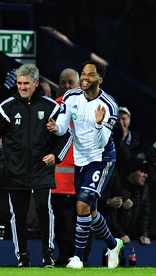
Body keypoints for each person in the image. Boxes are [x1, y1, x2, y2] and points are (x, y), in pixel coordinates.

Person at [0, 63, 71, 268]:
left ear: (36, 83)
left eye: (26, 84)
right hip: (16, 169)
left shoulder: (51, 107)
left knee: (43, 208)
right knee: (19, 215)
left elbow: (66, 135)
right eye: (19, 83)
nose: (22, 87)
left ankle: (48, 256)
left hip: (42, 168)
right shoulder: (7, 107)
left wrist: (55, 156)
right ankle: (23, 257)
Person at [46, 60, 124, 269]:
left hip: (101, 158)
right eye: (83, 74)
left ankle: (77, 258)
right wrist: (56, 128)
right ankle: (112, 244)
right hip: (80, 160)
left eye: (90, 75)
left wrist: (99, 124)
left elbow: (102, 142)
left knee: (81, 206)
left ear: (100, 79)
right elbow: (64, 125)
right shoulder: (72, 97)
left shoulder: (108, 105)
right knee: (90, 212)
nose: (84, 78)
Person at [51, 68, 79, 266]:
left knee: (82, 221)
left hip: (82, 179)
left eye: (71, 82)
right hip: (59, 182)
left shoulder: (90, 108)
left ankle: (80, 257)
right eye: (63, 82)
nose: (67, 86)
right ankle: (65, 256)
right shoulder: (54, 108)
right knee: (62, 223)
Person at [115, 158, 151, 245]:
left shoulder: (144, 189)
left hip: (129, 238)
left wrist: (143, 234)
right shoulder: (116, 186)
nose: (146, 175)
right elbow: (109, 215)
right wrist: (120, 234)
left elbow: (144, 214)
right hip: (109, 237)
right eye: (142, 171)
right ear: (131, 172)